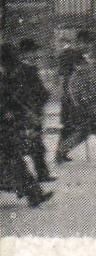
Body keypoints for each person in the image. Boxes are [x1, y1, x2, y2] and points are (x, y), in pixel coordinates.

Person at [1, 48, 51, 208]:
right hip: (5, 128)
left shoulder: (3, 78)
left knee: (14, 160)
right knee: (13, 161)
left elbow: (10, 99)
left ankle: (34, 194)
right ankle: (33, 193)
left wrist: (22, 113)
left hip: (5, 129)